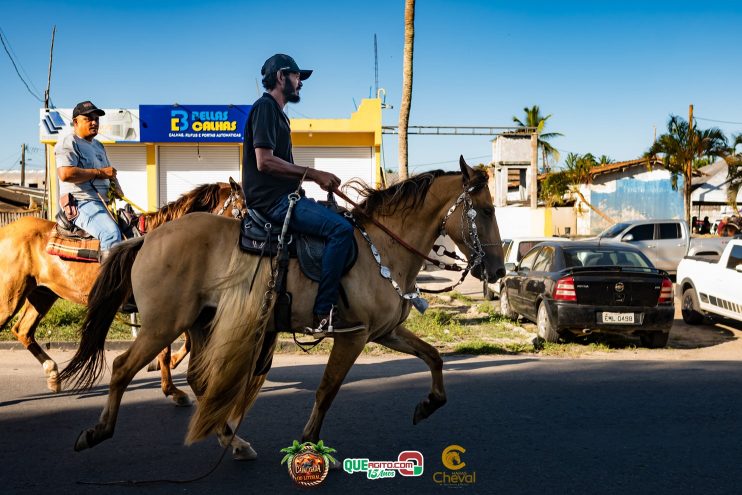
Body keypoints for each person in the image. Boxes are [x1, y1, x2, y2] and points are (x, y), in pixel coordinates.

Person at [242, 54, 363, 334]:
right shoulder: (266, 108)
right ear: (281, 77)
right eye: (297, 77)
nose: (300, 83)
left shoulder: (278, 114)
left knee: (342, 218)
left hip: (285, 197)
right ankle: (324, 311)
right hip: (273, 203)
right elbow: (264, 161)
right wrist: (315, 174)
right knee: (340, 231)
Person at [55, 101, 124, 255]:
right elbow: (65, 174)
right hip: (81, 202)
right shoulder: (69, 142)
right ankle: (109, 279)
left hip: (103, 204)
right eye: (88, 119)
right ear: (75, 122)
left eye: (96, 119)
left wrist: (116, 186)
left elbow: (108, 171)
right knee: (111, 235)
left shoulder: (99, 145)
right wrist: (99, 173)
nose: (94, 122)